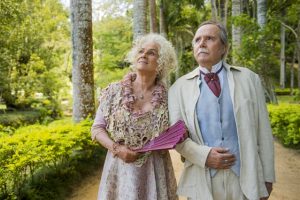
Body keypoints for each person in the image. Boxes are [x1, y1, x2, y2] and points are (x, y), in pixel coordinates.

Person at [168, 21, 275, 200]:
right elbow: (177, 138)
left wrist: (267, 177)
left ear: (224, 48)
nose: (201, 43)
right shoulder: (178, 88)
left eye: (209, 38)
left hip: (245, 178)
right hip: (202, 179)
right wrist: (204, 155)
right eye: (197, 40)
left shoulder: (250, 79)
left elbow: (263, 131)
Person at [91, 33, 178, 200]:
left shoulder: (171, 98)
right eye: (141, 51)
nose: (143, 54)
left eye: (151, 52)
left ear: (161, 63)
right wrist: (117, 149)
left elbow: (179, 131)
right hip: (120, 169)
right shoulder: (113, 91)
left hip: (155, 170)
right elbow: (96, 129)